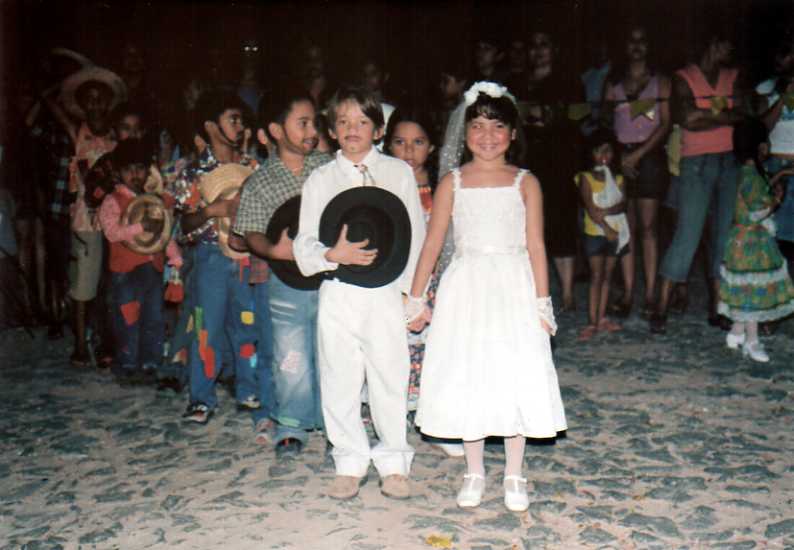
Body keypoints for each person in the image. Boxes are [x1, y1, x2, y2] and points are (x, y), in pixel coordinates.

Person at [408, 82, 566, 512]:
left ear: (512, 133)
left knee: (514, 371)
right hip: (468, 286)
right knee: (470, 372)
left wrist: (542, 303)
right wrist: (416, 298)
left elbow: (536, 245)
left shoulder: (525, 182)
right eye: (477, 125)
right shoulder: (453, 182)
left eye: (497, 126)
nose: (487, 135)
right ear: (465, 132)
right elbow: (433, 243)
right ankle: (474, 470)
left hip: (513, 284)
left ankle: (514, 472)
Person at [293, 86, 426, 501]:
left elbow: (416, 237)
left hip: (385, 291)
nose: (353, 129)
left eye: (363, 122)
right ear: (332, 130)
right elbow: (304, 241)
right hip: (339, 290)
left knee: (389, 373)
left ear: (378, 130)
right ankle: (349, 461)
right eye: (344, 122)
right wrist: (331, 254)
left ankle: (394, 462)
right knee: (339, 375)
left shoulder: (398, 173)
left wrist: (412, 295)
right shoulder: (322, 179)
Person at [233, 83, 331, 454]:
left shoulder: (327, 168)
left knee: (331, 349)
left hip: (330, 277)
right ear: (275, 130)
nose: (312, 131)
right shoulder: (261, 180)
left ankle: (334, 421)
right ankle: (292, 422)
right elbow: (250, 232)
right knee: (291, 352)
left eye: (314, 123)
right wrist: (274, 248)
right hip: (286, 281)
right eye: (303, 123)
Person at [171, 89, 261, 424]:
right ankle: (201, 397)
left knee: (248, 324)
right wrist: (212, 210)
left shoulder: (252, 167)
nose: (240, 126)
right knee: (206, 327)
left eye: (241, 120)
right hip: (210, 258)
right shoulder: (194, 173)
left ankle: (249, 388)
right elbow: (184, 224)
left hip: (247, 257)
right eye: (232, 119)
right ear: (210, 126)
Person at [650, 23, 747, 333]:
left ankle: (717, 308)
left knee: (723, 237)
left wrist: (706, 115)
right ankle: (660, 308)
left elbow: (744, 115)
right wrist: (724, 117)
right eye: (727, 45)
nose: (731, 51)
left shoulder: (733, 76)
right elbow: (687, 120)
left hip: (730, 161)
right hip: (696, 164)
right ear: (713, 43)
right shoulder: (683, 77)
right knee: (687, 235)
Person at [383, 105, 464, 458]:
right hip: (393, 280)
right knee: (391, 349)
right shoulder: (382, 187)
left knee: (434, 351)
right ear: (388, 145)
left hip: (434, 282)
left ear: (431, 147)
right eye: (400, 142)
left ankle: (434, 421)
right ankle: (388, 421)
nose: (408, 151)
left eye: (417, 142)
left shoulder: (441, 187)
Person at [97, 139, 181, 383]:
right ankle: (127, 364)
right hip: (125, 272)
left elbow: (163, 232)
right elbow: (112, 232)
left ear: (148, 170)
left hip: (153, 270)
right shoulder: (112, 201)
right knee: (127, 319)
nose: (134, 174)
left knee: (153, 317)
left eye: (140, 168)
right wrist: (139, 227)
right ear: (118, 172)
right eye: (128, 169)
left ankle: (150, 363)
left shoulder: (153, 201)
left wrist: (174, 256)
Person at [603, 24, 671, 318]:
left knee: (649, 228)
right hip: (620, 158)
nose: (637, 46)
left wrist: (639, 155)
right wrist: (620, 157)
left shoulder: (661, 82)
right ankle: (629, 292)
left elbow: (666, 124)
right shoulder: (613, 83)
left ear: (649, 45)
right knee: (625, 227)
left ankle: (651, 293)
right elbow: (605, 123)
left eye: (642, 40)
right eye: (631, 40)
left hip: (650, 157)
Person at [719, 119, 794, 362]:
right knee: (752, 291)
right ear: (761, 147)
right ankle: (752, 341)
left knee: (746, 290)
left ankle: (737, 332)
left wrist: (778, 178)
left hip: (746, 239)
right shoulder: (750, 175)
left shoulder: (745, 172)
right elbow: (756, 210)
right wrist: (777, 200)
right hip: (751, 242)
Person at [521, 29, 582, 311]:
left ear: (554, 49)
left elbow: (575, 120)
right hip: (529, 161)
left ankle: (568, 293)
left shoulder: (569, 81)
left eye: (543, 44)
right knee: (530, 225)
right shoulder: (520, 81)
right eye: (533, 45)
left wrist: (545, 116)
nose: (538, 50)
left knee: (562, 225)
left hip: (560, 161)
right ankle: (535, 291)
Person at [575, 130, 630, 340]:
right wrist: (607, 228)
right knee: (596, 276)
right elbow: (591, 209)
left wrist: (605, 213)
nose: (604, 155)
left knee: (608, 275)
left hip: (614, 233)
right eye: (599, 151)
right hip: (595, 234)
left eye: (608, 151)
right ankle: (592, 321)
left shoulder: (618, 178)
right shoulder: (586, 178)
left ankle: (602, 317)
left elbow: (622, 204)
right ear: (591, 154)